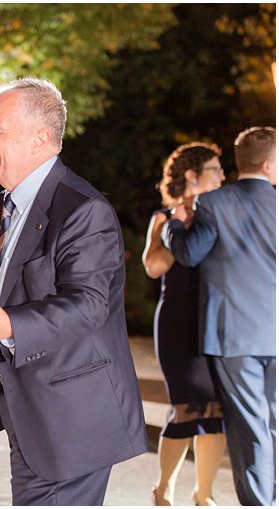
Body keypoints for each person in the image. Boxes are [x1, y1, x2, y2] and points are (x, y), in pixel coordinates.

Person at [0, 77, 146, 505]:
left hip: (72, 419)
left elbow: (89, 304)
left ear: (40, 138)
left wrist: (7, 323)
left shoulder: (83, 209)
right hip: (28, 415)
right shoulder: (1, 208)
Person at [163, 126, 276, 506]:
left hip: (233, 334)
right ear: (267, 164)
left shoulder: (214, 203)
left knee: (250, 429)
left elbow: (189, 253)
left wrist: (174, 225)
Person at [143, 142, 227, 506]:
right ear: (193, 176)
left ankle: (203, 494)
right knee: (185, 406)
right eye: (216, 169)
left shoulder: (224, 214)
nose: (223, 176)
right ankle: (164, 488)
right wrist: (176, 226)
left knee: (216, 407)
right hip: (178, 321)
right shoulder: (164, 217)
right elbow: (153, 266)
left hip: (218, 321)